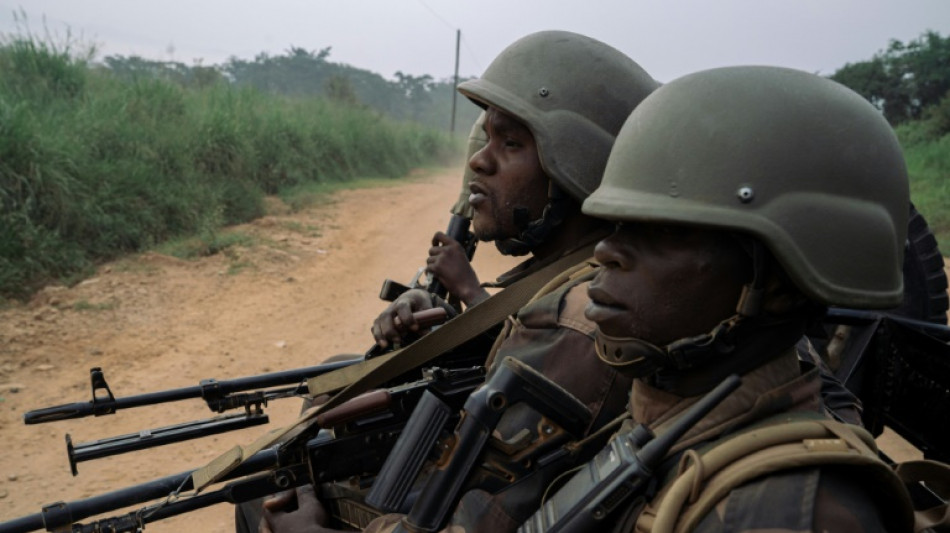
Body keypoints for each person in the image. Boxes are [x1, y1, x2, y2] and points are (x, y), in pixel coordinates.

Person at [250, 30, 661, 533]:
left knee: (269, 493)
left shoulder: (573, 321)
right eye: (486, 138)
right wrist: (445, 332)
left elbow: (478, 513)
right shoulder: (572, 275)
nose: (478, 161)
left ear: (575, 166)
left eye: (510, 143)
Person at [567, 65, 915, 531]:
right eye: (619, 224)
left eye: (669, 230)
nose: (606, 250)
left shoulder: (784, 513)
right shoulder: (678, 411)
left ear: (777, 285)